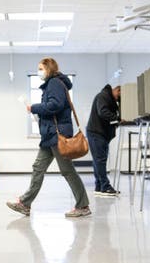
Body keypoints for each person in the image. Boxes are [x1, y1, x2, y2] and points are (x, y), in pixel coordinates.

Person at [6, 57, 91, 218]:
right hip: (50, 134)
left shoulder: (54, 83)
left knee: (67, 171)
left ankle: (83, 205)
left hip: (56, 135)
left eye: (41, 68)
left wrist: (34, 108)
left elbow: (55, 105)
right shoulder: (55, 83)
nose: (39, 71)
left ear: (49, 69)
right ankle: (25, 203)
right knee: (38, 167)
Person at [86, 84, 121, 196]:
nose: (119, 99)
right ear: (117, 90)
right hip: (96, 132)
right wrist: (117, 118)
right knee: (100, 160)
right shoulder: (103, 96)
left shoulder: (107, 97)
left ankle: (99, 186)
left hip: (99, 133)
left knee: (98, 160)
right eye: (119, 96)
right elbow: (103, 112)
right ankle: (105, 187)